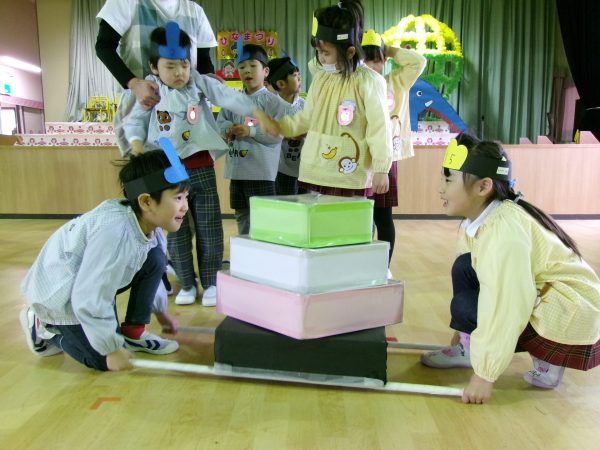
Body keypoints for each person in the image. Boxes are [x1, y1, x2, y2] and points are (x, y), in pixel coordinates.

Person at [420, 135, 600, 404]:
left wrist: (485, 375)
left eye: (448, 180)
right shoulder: (486, 216)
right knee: (465, 266)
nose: (440, 188)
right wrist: (463, 334)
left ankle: (548, 360)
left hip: (570, 312)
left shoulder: (504, 232)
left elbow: (506, 303)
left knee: (467, 305)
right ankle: (469, 350)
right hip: (550, 295)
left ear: (483, 187)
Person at [121, 23, 276, 306]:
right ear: (154, 67)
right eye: (170, 66)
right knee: (176, 228)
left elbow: (228, 96)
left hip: (200, 164)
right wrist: (137, 145)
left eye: (183, 64)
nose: (179, 73)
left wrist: (257, 112)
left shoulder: (198, 81)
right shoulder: (151, 89)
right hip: (168, 171)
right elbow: (135, 121)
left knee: (209, 226)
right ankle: (187, 283)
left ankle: (211, 281)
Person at [20, 142, 191, 371]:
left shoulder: (150, 225)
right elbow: (90, 296)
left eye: (186, 197)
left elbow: (155, 270)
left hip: (84, 282)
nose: (185, 206)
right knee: (102, 359)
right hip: (59, 294)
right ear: (146, 201)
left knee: (155, 258)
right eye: (178, 198)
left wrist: (161, 312)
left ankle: (134, 332)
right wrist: (111, 348)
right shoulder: (114, 233)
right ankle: (44, 327)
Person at [264, 0, 392, 198]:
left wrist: (382, 169)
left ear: (350, 52)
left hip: (350, 173)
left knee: (349, 218)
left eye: (326, 53)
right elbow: (307, 117)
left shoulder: (369, 81)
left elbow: (379, 128)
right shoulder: (321, 77)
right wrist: (281, 127)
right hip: (316, 170)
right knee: (319, 217)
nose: (320, 58)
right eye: (318, 52)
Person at [362, 29, 426, 270]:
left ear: (384, 60)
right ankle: (360, 266)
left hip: (386, 158)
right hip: (359, 158)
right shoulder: (355, 83)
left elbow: (418, 62)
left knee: (383, 216)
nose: (372, 66)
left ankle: (383, 267)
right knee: (360, 216)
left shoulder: (396, 82)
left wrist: (386, 49)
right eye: (367, 60)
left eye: (377, 60)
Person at [216, 41, 292, 234]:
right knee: (241, 215)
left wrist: (250, 131)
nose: (247, 70)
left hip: (261, 173)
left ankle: (264, 252)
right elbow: (220, 123)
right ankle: (244, 250)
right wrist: (228, 128)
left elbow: (277, 135)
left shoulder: (274, 102)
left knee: (265, 219)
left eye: (252, 66)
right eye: (242, 67)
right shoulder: (233, 100)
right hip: (237, 172)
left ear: (265, 71)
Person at [96, 0, 218, 112]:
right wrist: (133, 83)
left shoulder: (195, 11)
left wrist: (208, 78)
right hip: (141, 107)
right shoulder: (126, 3)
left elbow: (203, 59)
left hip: (186, 109)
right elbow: (104, 46)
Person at [266, 56, 307, 195]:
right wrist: (285, 134)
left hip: (305, 169)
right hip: (282, 170)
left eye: (299, 75)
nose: (299, 79)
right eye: (295, 76)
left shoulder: (305, 105)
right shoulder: (271, 107)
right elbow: (262, 133)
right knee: (287, 204)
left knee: (307, 203)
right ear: (281, 84)